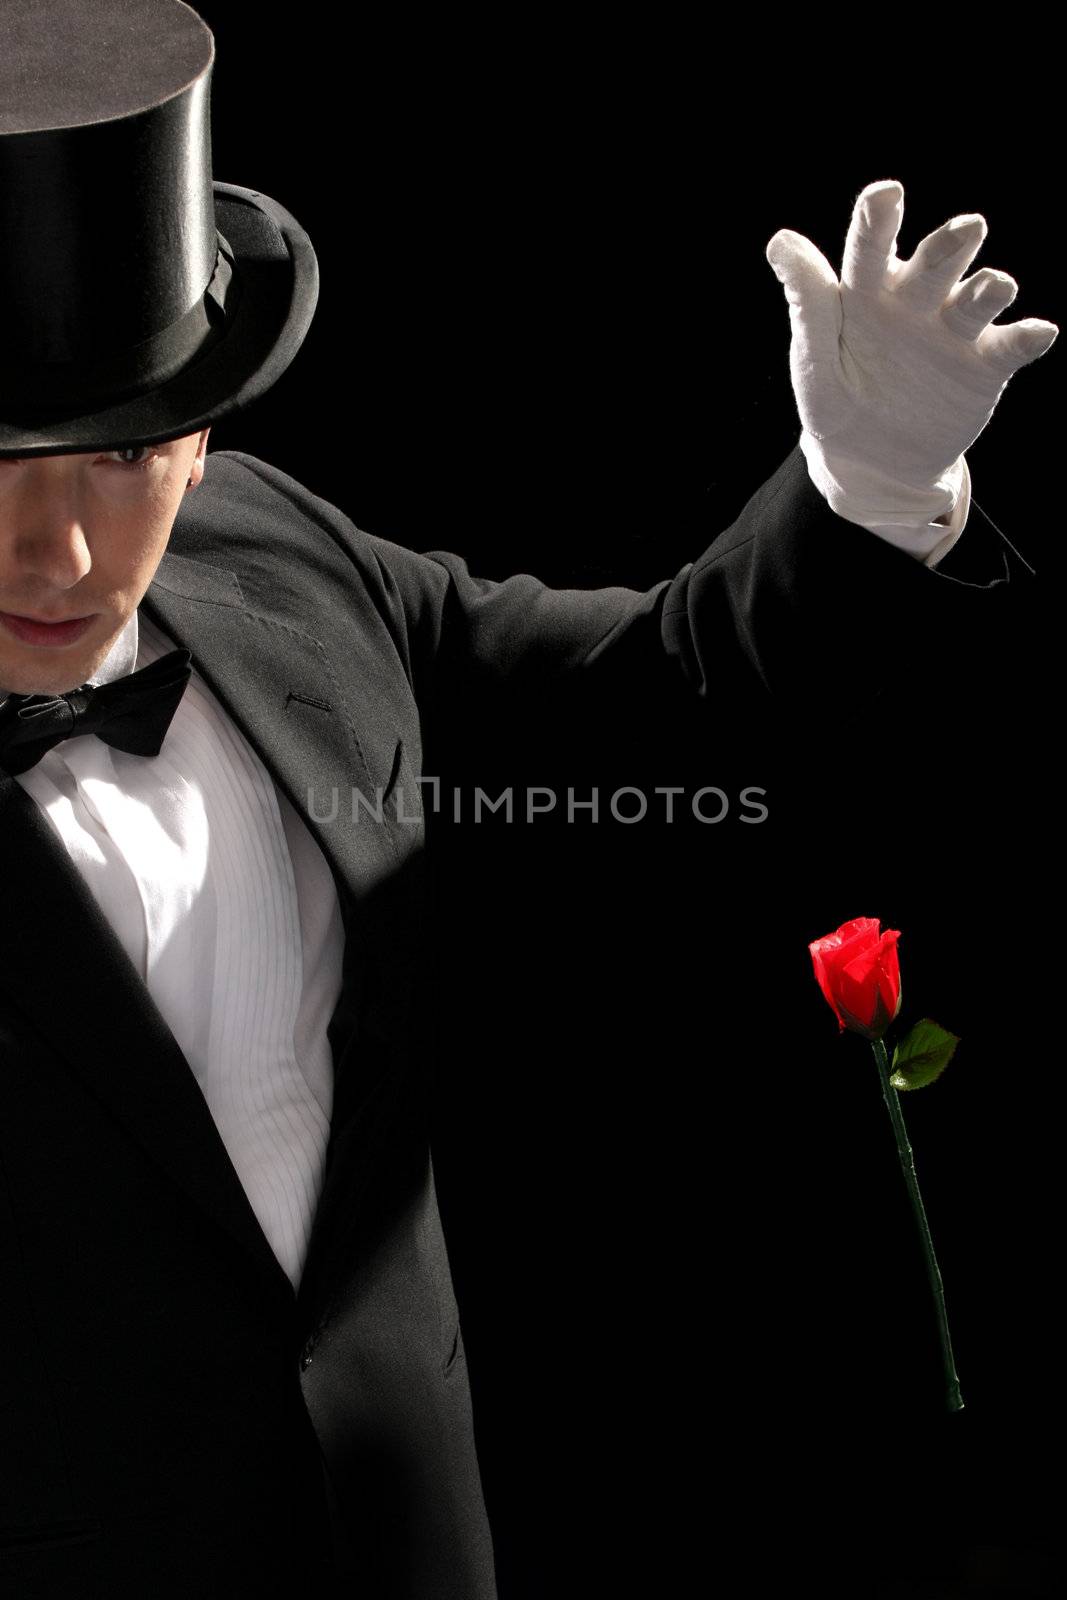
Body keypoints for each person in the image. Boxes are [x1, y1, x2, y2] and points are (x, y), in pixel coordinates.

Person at [0, 4, 1056, 1597]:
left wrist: (870, 491)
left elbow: (656, 696)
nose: (61, 553)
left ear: (202, 433)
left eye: (117, 462)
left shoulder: (285, 561)